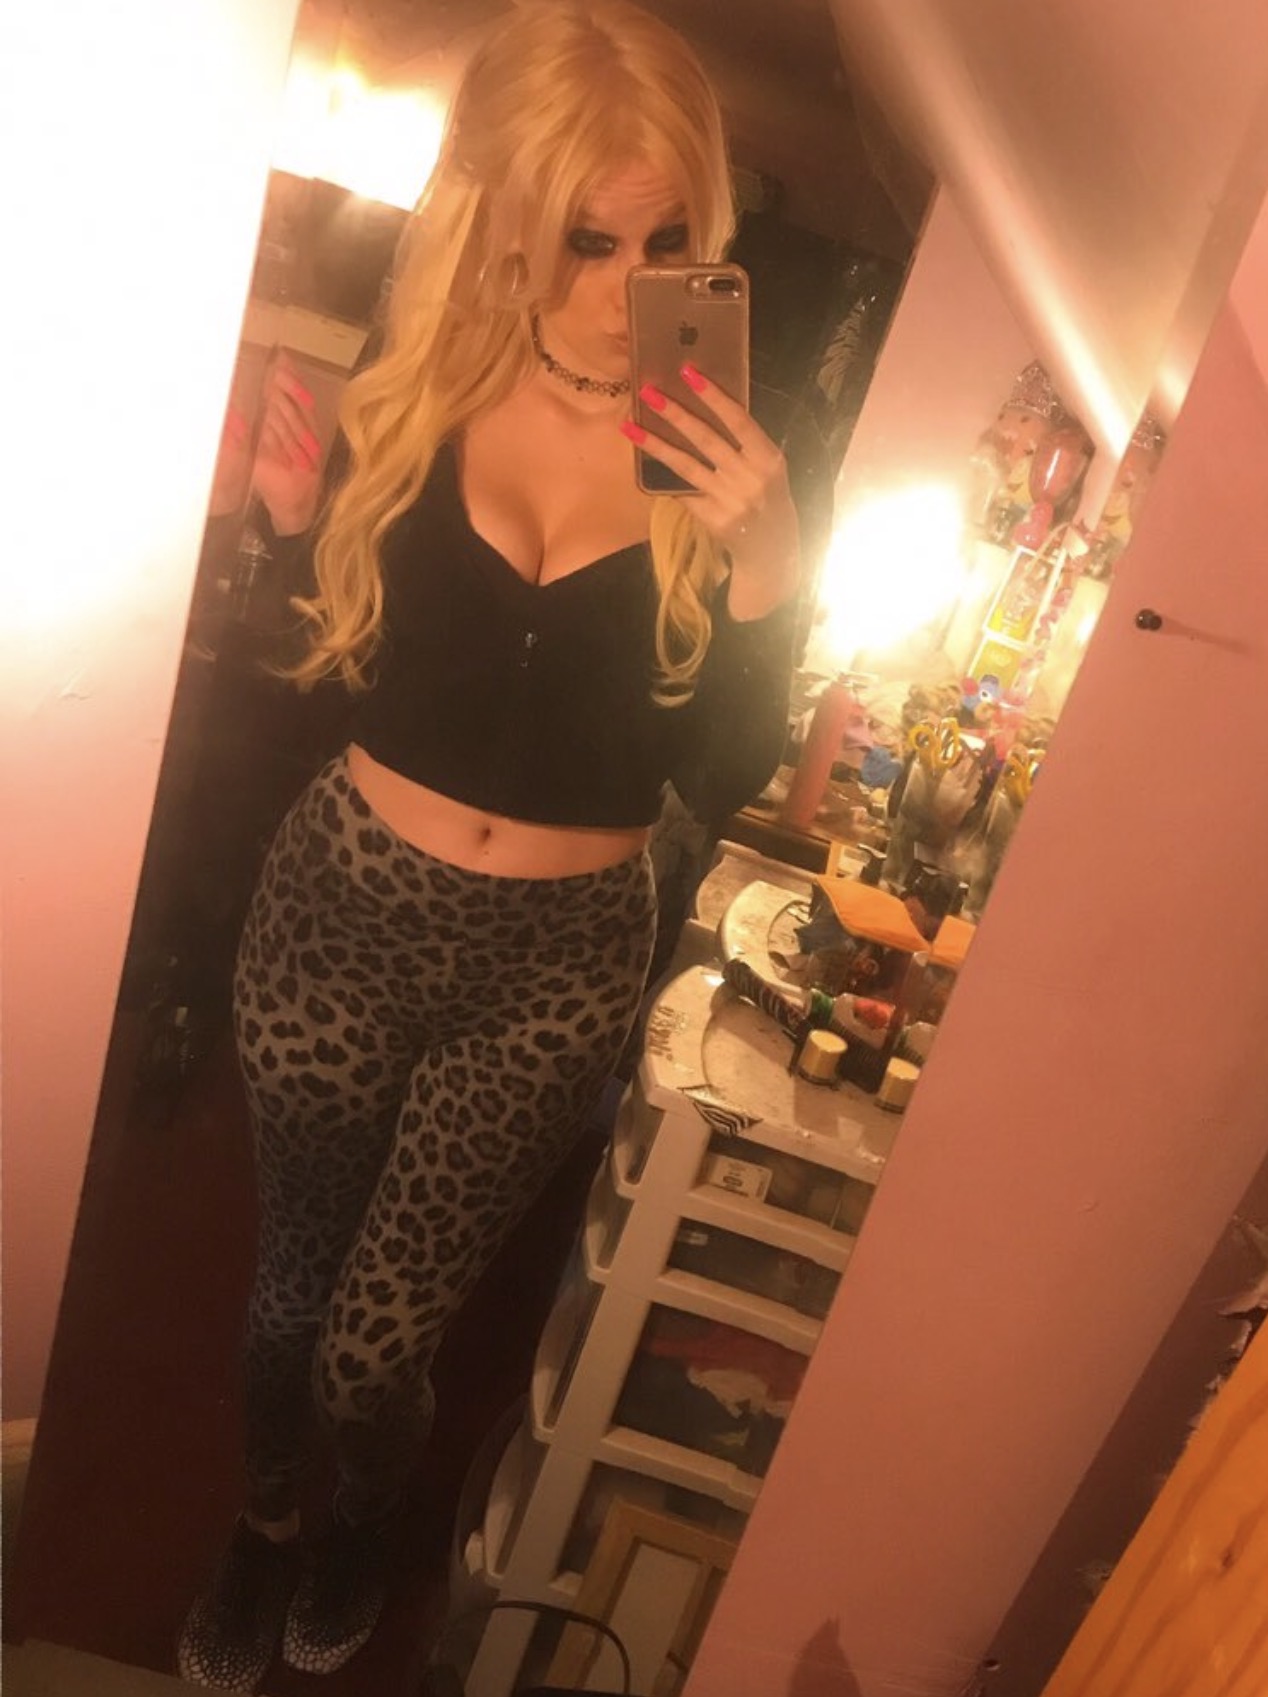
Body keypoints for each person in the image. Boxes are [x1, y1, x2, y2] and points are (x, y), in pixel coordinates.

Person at [177, 0, 801, 1687]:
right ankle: (266, 1524)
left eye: (668, 241)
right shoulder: (425, 383)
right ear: (505, 218)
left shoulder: (726, 462)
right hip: (342, 908)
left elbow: (724, 771)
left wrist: (767, 568)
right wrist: (285, 514)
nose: (626, 284)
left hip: (553, 964)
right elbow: (339, 664)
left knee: (376, 1341)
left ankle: (364, 1510)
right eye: (587, 240)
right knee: (287, 1296)